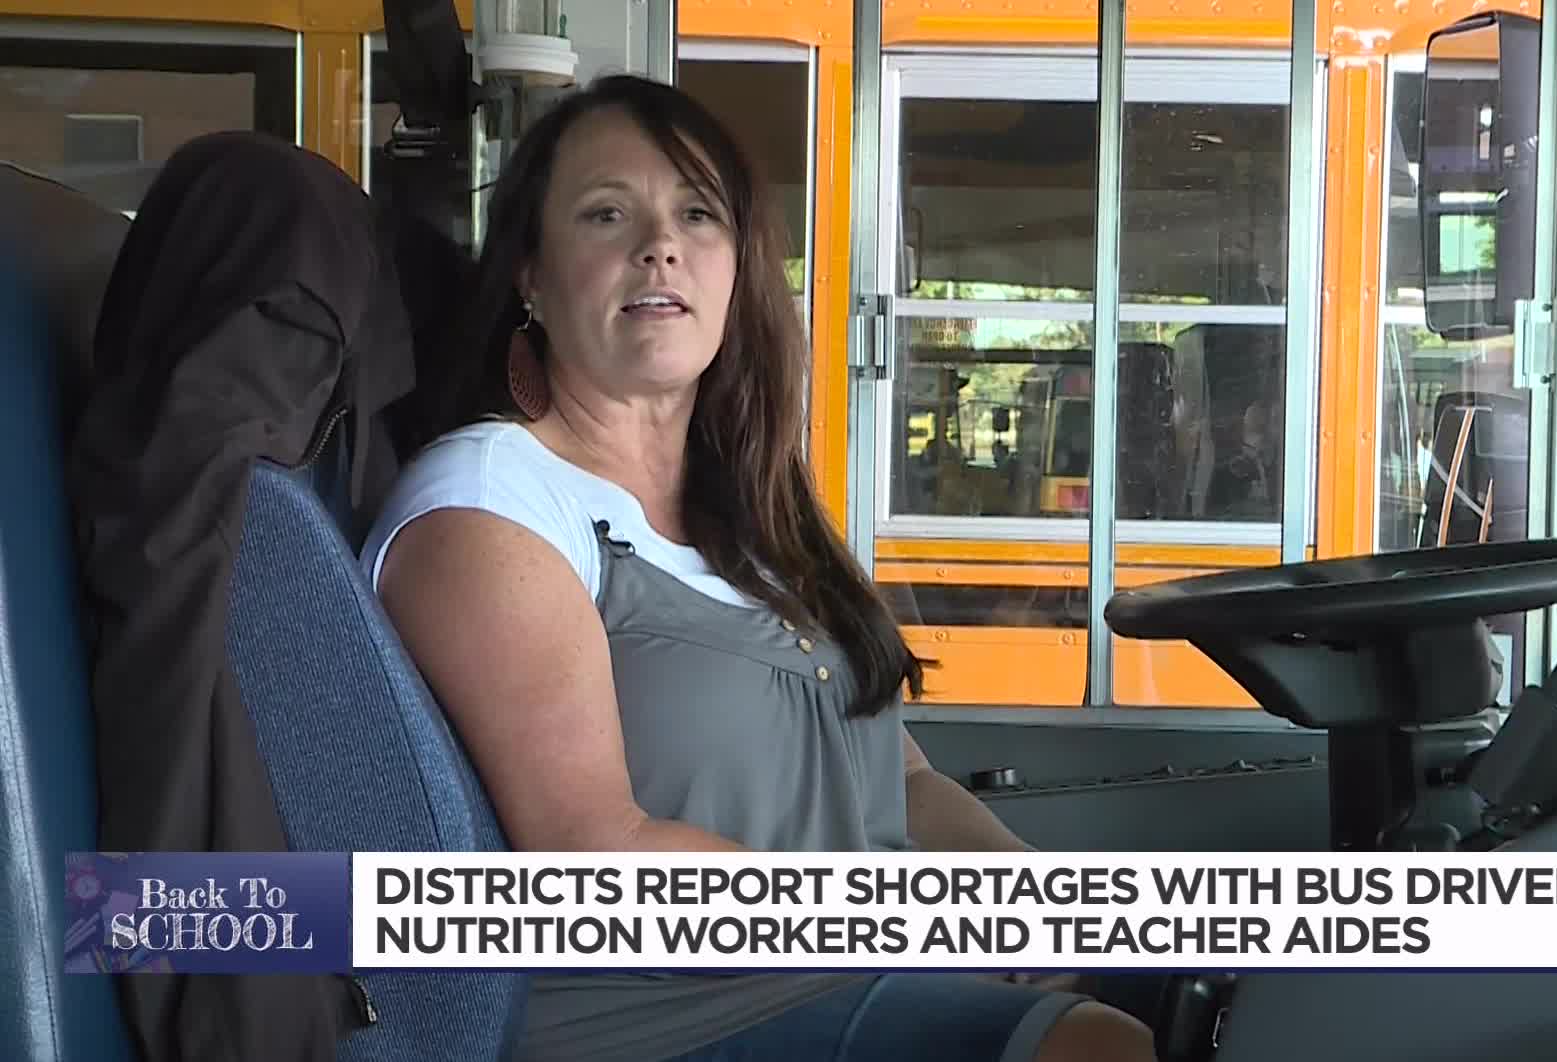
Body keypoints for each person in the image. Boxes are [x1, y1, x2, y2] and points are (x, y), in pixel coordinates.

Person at [361, 75, 1157, 1062]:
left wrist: (1032, 904)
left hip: (848, 967)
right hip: (662, 1019)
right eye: (606, 214)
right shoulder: (491, 501)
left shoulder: (758, 509)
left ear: (737, 267)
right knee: (1098, 1049)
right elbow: (595, 855)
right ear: (530, 272)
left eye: (697, 213)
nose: (659, 244)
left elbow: (901, 780)